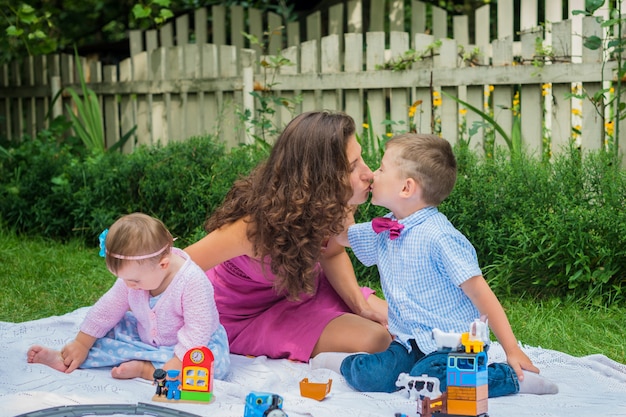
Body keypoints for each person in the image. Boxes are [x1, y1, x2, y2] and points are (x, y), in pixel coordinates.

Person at [315, 133, 558, 397]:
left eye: (382, 169)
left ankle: (509, 378)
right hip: (410, 343)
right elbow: (342, 235)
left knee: (428, 383)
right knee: (372, 376)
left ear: (406, 188)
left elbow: (482, 295)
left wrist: (512, 348)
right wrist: (334, 197)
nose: (374, 174)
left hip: (455, 346)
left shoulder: (440, 237)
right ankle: (340, 363)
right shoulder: (383, 229)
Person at [184, 110, 392, 362]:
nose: (368, 174)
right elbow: (178, 268)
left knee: (403, 323)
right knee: (377, 340)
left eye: (361, 159)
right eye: (352, 166)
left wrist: (361, 306)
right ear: (318, 179)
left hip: (305, 290)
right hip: (247, 316)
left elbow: (333, 253)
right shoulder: (253, 228)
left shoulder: (334, 204)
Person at [27, 212, 230, 381]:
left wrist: (178, 362)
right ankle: (68, 358)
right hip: (146, 336)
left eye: (134, 281)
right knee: (105, 330)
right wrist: (82, 343)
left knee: (207, 369)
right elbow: (108, 307)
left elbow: (198, 330)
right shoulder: (137, 275)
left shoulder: (192, 281)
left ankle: (146, 370)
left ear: (163, 264)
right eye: (124, 280)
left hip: (192, 343)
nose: (129, 286)